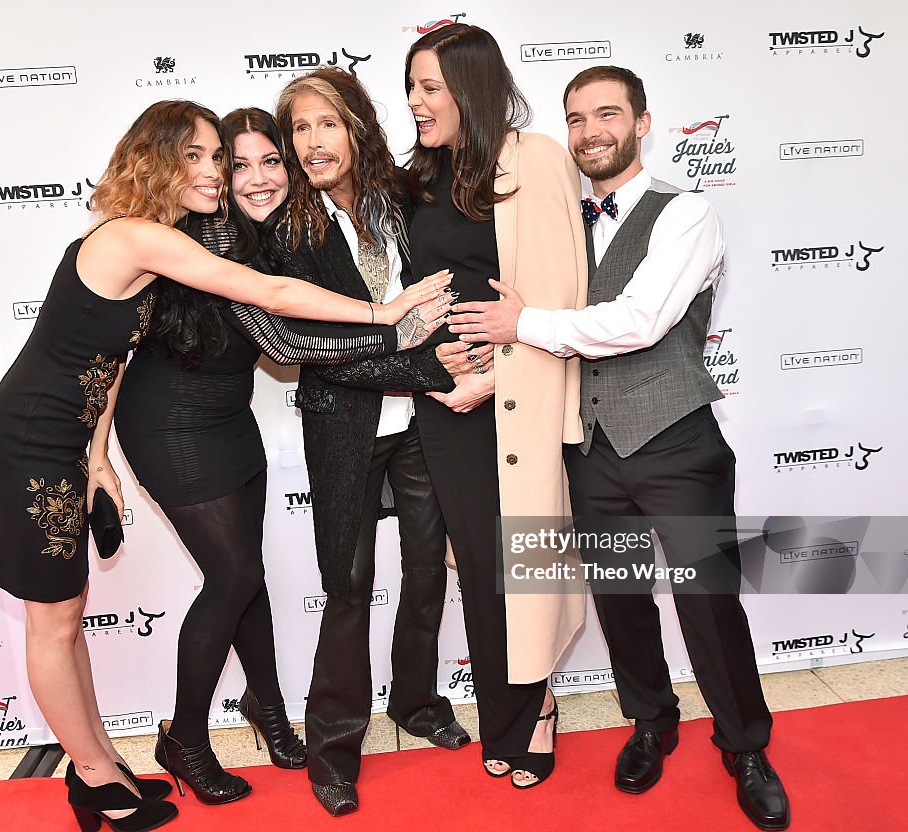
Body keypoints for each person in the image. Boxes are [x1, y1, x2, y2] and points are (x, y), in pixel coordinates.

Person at [0, 99, 450, 832]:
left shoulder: (150, 238)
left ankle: (103, 765)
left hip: (73, 437)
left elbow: (110, 358)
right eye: (196, 156)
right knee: (56, 623)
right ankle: (111, 772)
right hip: (31, 440)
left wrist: (97, 457)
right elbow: (274, 302)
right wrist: (388, 316)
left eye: (216, 157)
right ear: (156, 160)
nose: (217, 172)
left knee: (79, 616)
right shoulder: (138, 237)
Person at [447, 65, 790, 830]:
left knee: (708, 604)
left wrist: (523, 324)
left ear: (641, 123)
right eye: (575, 119)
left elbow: (639, 321)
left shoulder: (686, 213)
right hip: (589, 448)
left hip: (677, 445)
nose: (590, 132)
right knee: (621, 599)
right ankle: (651, 720)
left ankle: (745, 745)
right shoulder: (560, 217)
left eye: (607, 115)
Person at [113, 107, 444, 805]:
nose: (258, 178)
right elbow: (289, 347)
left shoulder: (275, 238)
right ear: (210, 175)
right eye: (238, 165)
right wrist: (403, 335)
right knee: (231, 576)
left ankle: (264, 709)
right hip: (169, 425)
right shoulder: (218, 236)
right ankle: (187, 740)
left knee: (246, 576)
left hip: (228, 419)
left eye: (272, 162)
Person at [271, 67, 479, 816]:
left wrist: (435, 362)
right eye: (299, 128)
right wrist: (424, 367)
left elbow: (438, 297)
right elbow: (312, 347)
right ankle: (333, 748)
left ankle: (417, 702)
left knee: (427, 570)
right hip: (345, 425)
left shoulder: (403, 198)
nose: (313, 141)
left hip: (424, 426)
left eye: (327, 123)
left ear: (357, 126)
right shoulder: (289, 227)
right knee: (348, 586)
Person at [399, 24, 588, 790]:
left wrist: (495, 375)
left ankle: (533, 708)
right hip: (448, 404)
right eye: (411, 87)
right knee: (480, 566)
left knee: (526, 565)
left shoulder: (533, 158)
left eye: (430, 87)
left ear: (470, 87)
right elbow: (419, 297)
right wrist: (429, 366)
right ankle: (510, 711)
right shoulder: (422, 178)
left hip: (515, 400)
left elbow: (558, 294)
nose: (415, 102)